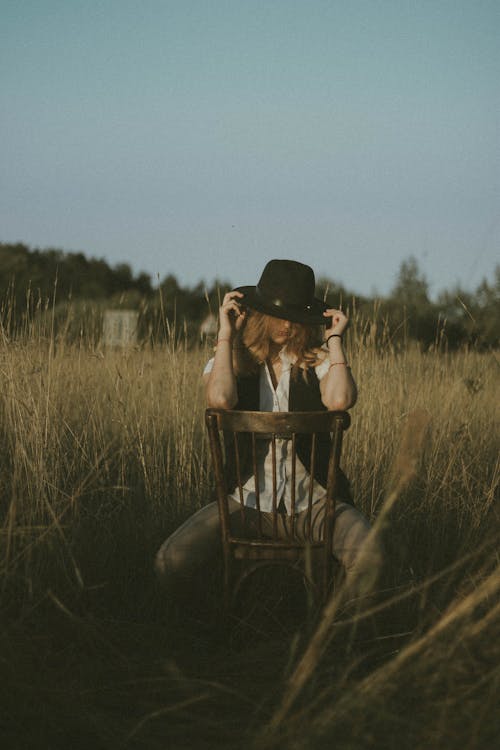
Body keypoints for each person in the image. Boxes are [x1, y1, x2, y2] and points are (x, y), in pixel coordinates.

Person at [155, 260, 382, 601]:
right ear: (259, 313)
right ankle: (211, 628)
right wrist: (226, 334)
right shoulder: (231, 360)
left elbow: (340, 400)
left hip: (315, 501)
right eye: (278, 315)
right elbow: (219, 398)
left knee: (371, 557)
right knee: (169, 561)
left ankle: (332, 637)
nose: (287, 325)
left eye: (295, 316)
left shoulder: (318, 360)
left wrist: (335, 340)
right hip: (244, 501)